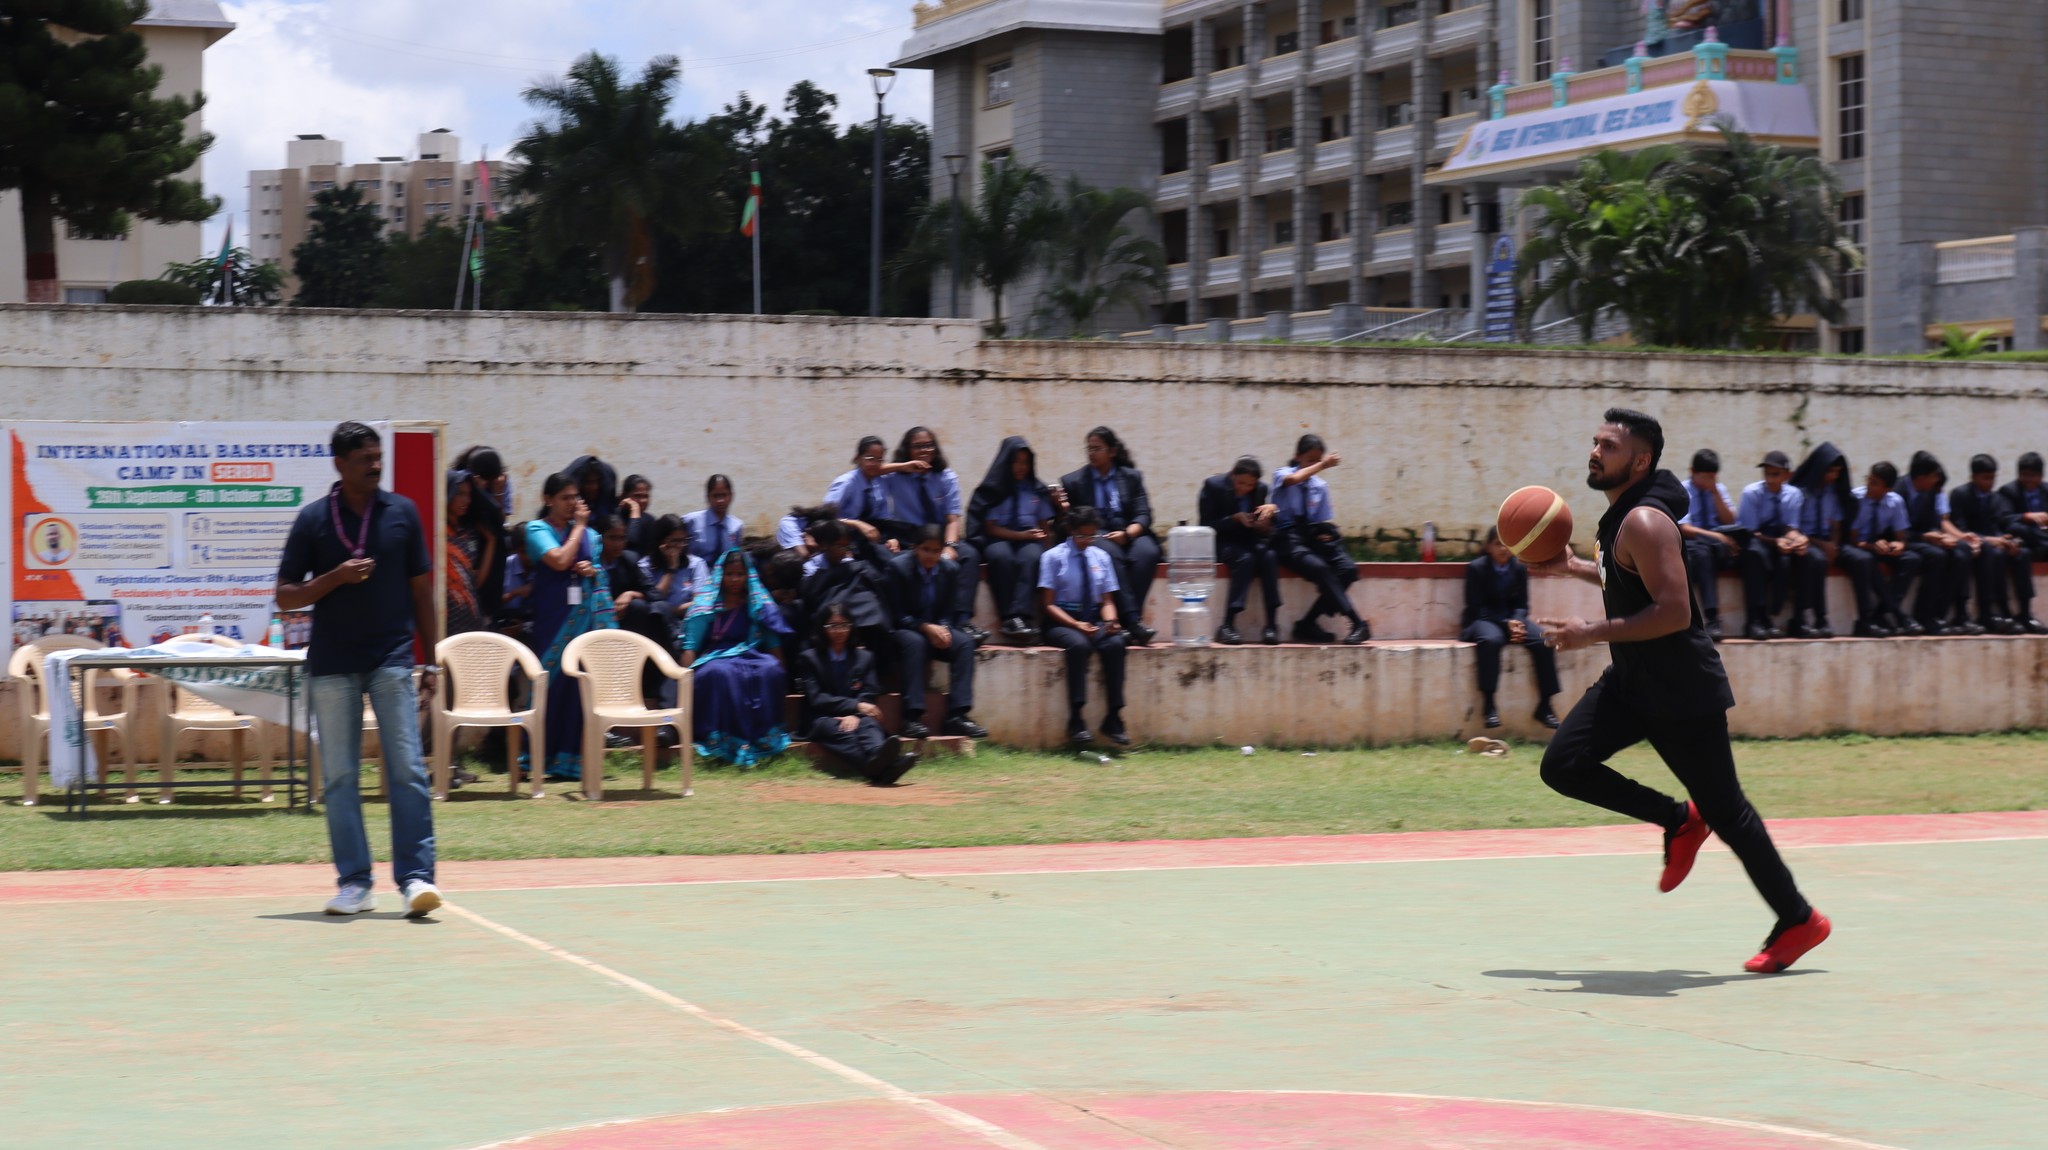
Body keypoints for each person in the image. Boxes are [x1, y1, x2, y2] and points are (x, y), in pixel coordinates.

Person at [1531, 407, 1828, 975]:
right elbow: (1628, 578)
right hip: (1632, 682)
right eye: (1595, 442)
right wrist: (1573, 567)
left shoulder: (1645, 520)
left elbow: (1673, 611)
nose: (1595, 452)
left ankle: (1799, 919)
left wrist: (1590, 632)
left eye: (1609, 446)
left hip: (1681, 691)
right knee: (1563, 765)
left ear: (1640, 461)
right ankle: (1678, 819)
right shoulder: (1621, 516)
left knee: (1730, 813)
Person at [275, 421, 441, 918]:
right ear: (339, 464)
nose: (375, 465)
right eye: (365, 458)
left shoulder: (402, 513)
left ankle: (416, 879)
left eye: (378, 457)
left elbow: (422, 592)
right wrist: (335, 577)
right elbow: (285, 597)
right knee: (341, 776)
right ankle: (355, 883)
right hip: (332, 664)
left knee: (407, 769)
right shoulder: (313, 520)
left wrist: (431, 660)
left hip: (391, 659)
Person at [525, 473, 618, 780]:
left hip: (584, 621)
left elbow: (600, 573)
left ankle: (575, 760)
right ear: (547, 499)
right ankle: (538, 757)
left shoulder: (591, 535)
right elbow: (559, 560)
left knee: (579, 687)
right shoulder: (537, 529)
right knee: (549, 685)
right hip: (553, 620)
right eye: (564, 498)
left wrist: (592, 570)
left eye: (574, 497)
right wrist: (578, 527)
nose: (571, 503)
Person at [681, 549, 793, 766]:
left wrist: (783, 675)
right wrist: (684, 680)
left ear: (747, 575)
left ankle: (762, 738)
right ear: (720, 575)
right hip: (715, 656)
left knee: (771, 669)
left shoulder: (757, 603)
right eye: (730, 574)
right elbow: (690, 646)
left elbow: (772, 642)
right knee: (720, 673)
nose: (734, 579)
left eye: (740, 574)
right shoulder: (705, 604)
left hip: (750, 654)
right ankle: (722, 741)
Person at [1056, 427, 1161, 646]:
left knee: (1148, 551)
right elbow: (1069, 522)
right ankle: (1132, 621)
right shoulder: (1074, 481)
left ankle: (1129, 620)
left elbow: (1144, 514)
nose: (1091, 453)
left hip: (1128, 531)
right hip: (1095, 534)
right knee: (1109, 553)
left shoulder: (1131, 477)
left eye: (1097, 449)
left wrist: (1127, 534)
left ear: (1112, 451)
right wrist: (1063, 508)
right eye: (1089, 449)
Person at [793, 602, 916, 785]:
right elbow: (816, 698)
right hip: (822, 716)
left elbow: (870, 691)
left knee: (869, 724)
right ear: (822, 628)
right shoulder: (809, 658)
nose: (839, 631)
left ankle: (877, 757)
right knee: (841, 732)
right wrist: (854, 706)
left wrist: (855, 714)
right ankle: (883, 768)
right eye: (833, 626)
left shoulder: (865, 658)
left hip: (858, 715)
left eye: (844, 625)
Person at [889, 526, 990, 740]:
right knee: (915, 643)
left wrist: (943, 628)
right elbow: (896, 614)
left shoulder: (950, 569)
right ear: (915, 548)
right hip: (903, 629)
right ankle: (912, 717)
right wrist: (925, 627)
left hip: (934, 628)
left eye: (936, 551)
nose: (931, 555)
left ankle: (957, 716)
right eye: (926, 549)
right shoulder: (898, 568)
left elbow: (947, 611)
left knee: (964, 643)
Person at [1039, 506, 1129, 745]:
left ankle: (1114, 716)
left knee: (1116, 644)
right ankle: (1076, 718)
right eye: (1081, 535)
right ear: (1071, 530)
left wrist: (1110, 622)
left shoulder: (1101, 557)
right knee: (1079, 647)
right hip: (1062, 621)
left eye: (1092, 536)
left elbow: (1107, 600)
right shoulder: (1053, 557)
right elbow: (1048, 604)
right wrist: (1076, 624)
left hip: (1093, 619)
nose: (1087, 541)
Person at [1272, 435, 1370, 645]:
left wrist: (1324, 534)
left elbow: (1319, 519)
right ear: (1297, 456)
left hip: (1311, 536)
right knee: (1320, 569)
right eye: (1310, 460)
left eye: (1318, 460)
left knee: (1347, 569)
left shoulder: (1320, 486)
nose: (1315, 465)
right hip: (1288, 537)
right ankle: (1357, 622)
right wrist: (1323, 464)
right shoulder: (1283, 473)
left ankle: (1307, 623)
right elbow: (1294, 480)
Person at [889, 426, 986, 638]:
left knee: (969, 555)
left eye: (928, 445)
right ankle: (914, 621)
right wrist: (904, 466)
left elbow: (952, 519)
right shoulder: (895, 477)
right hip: (911, 538)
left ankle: (962, 620)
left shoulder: (946, 477)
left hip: (941, 537)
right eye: (917, 446)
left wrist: (949, 546)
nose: (924, 450)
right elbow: (872, 469)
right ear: (907, 449)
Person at [1462, 526, 1560, 730]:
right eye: (1497, 544)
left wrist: (1516, 621)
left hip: (1513, 620)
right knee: (1491, 641)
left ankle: (1545, 705)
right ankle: (1489, 705)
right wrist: (1506, 623)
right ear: (1488, 547)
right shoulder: (1477, 569)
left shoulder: (1519, 568)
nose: (1503, 549)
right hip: (1483, 620)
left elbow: (1522, 605)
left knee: (1544, 641)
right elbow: (1476, 607)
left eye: (1507, 545)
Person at [966, 436, 1057, 646]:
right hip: (1000, 536)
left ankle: (1021, 617)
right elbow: (990, 527)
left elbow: (1043, 522)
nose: (1021, 467)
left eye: (1025, 462)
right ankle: (1008, 618)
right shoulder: (994, 489)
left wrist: (1047, 547)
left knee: (1032, 557)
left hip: (1030, 538)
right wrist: (1022, 536)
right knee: (1001, 556)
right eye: (1016, 461)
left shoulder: (1035, 488)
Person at [1198, 457, 1282, 645]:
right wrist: (1234, 519)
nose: (1244, 488)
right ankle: (1228, 624)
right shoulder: (1213, 486)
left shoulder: (1260, 490)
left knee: (1269, 557)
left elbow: (1268, 529)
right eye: (1240, 483)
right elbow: (1206, 525)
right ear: (1232, 475)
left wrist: (1268, 518)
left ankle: (1271, 624)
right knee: (1245, 560)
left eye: (1250, 485)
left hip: (1248, 539)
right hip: (1221, 541)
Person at [1734, 451, 1806, 640]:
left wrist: (1798, 539)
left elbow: (1790, 527)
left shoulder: (1794, 494)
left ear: (1787, 475)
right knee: (1755, 556)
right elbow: (1750, 531)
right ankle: (1754, 621)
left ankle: (1800, 619)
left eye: (1775, 474)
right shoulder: (1751, 493)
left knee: (1809, 557)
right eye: (1767, 474)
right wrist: (1776, 542)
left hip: (1779, 539)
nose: (1770, 479)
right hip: (1756, 539)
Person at [1786, 443, 1854, 639]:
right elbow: (1793, 529)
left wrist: (1834, 544)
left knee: (1861, 559)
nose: (1834, 477)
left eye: (1837, 472)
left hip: (1827, 542)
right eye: (1830, 471)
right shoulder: (1799, 493)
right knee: (1816, 559)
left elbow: (1836, 525)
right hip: (1804, 542)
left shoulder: (1832, 493)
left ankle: (1868, 617)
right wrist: (1823, 545)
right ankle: (1808, 617)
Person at [1949, 454, 2022, 634]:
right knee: (1989, 552)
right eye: (1985, 478)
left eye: (1992, 478)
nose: (1990, 483)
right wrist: (1991, 540)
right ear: (1973, 477)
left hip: (1988, 545)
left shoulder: (1995, 498)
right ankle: (1983, 612)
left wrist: (2006, 540)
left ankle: (2006, 611)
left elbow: (1996, 526)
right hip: (1969, 544)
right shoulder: (1960, 495)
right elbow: (1961, 529)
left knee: (2013, 553)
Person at [1899, 452, 1970, 634]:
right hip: (1901, 540)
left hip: (1923, 538)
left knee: (1961, 552)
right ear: (1921, 478)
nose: (1936, 481)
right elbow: (1897, 531)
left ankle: (1940, 614)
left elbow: (1932, 523)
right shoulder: (1898, 491)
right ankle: (1923, 614)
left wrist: (1941, 537)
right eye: (1933, 476)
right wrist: (1925, 537)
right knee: (1936, 556)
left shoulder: (1929, 490)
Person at [1846, 461, 1920, 636]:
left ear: (1887, 489)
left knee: (1912, 559)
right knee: (1867, 560)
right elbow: (1850, 539)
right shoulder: (1856, 499)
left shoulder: (1895, 501)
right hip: (1860, 546)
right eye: (1868, 479)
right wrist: (1871, 546)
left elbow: (1901, 536)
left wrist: (1899, 545)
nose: (1869, 485)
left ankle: (1881, 613)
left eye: (1874, 483)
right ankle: (1898, 614)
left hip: (1878, 546)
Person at [1677, 449, 1740, 641]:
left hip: (1716, 546)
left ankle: (1759, 619)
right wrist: (1716, 536)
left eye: (1713, 477)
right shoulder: (1683, 490)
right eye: (1705, 477)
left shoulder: (1719, 489)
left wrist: (1714, 492)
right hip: (1695, 543)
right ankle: (1712, 619)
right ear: (1692, 472)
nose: (1709, 481)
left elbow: (1730, 520)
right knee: (1702, 555)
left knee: (1749, 552)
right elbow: (1684, 528)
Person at [825, 436, 914, 550]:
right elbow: (825, 518)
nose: (875, 464)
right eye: (870, 459)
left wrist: (891, 539)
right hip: (846, 537)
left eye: (879, 460)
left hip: (874, 534)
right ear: (858, 458)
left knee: (911, 536)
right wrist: (856, 524)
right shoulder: (846, 483)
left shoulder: (879, 481)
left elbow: (884, 518)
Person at [1997, 451, 2048, 633]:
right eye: (2024, 475)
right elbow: (2003, 520)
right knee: (2020, 530)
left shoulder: (2046, 491)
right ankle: (2025, 613)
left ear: (2041, 476)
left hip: (2041, 542)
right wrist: (2027, 516)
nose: (2027, 480)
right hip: (2021, 541)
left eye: (2032, 476)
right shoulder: (2008, 491)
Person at [683, 475, 746, 565]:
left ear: (731, 496)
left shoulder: (736, 526)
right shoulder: (691, 521)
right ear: (708, 497)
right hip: (696, 572)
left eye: (724, 495)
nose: (720, 500)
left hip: (723, 573)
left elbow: (736, 556)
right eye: (716, 496)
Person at [617, 473, 660, 554]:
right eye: (637, 496)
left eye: (646, 496)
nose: (642, 501)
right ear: (623, 496)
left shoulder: (650, 520)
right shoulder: (614, 517)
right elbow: (631, 541)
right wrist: (634, 509)